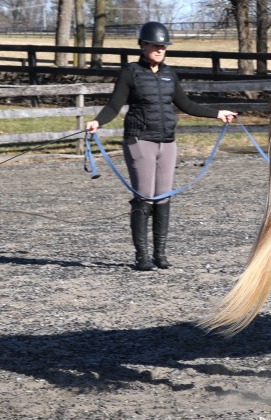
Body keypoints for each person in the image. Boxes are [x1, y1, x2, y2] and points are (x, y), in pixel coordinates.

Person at [87, 21, 237, 271]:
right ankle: (142, 255)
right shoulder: (130, 72)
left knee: (163, 197)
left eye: (163, 46)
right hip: (140, 140)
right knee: (144, 196)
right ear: (143, 45)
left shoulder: (169, 74)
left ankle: (160, 253)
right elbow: (114, 105)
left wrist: (217, 113)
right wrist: (97, 122)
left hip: (167, 141)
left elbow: (186, 104)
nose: (160, 49)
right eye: (155, 45)